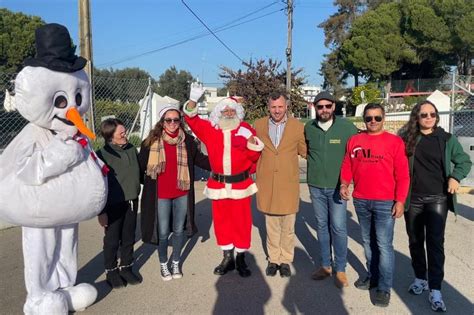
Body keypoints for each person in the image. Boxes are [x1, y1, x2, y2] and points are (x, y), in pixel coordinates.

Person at [183, 83, 264, 278]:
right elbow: (192, 120)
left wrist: (252, 144)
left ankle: (241, 258)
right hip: (219, 185)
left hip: (241, 185)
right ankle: (227, 257)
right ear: (218, 113)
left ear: (238, 112)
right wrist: (193, 99)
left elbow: (255, 158)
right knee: (222, 222)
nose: (228, 112)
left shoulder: (245, 130)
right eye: (225, 110)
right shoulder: (211, 130)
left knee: (242, 223)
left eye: (232, 109)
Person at [398, 100, 472, 312]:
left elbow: (464, 161)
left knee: (435, 243)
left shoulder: (447, 139)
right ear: (417, 118)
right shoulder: (408, 140)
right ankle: (420, 277)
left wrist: (456, 178)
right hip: (413, 199)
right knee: (414, 240)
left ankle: (436, 289)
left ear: (437, 116)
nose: (429, 117)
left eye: (432, 114)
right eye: (424, 115)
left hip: (437, 198)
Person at [340, 103, 410, 307]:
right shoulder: (355, 141)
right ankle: (373, 277)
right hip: (361, 199)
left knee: (384, 245)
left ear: (383, 118)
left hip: (385, 202)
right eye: (369, 118)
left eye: (377, 118)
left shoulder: (394, 142)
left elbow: (403, 175)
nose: (373, 122)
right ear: (364, 119)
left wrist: (400, 200)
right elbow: (348, 164)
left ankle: (384, 287)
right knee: (368, 243)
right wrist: (344, 183)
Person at [138, 103, 210, 281]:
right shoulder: (150, 143)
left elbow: (200, 160)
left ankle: (176, 261)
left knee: (179, 230)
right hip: (161, 195)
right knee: (162, 232)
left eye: (176, 120)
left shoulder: (188, 142)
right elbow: (140, 167)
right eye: (168, 120)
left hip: (181, 192)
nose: (172, 123)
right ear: (162, 122)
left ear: (180, 122)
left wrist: (223, 161)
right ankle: (163, 263)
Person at [305, 91, 358, 287]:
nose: (324, 110)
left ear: (334, 107)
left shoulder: (347, 127)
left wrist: (349, 180)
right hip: (316, 185)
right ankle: (326, 265)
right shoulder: (309, 127)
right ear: (314, 108)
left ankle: (341, 269)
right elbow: (305, 150)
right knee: (321, 226)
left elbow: (356, 153)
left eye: (328, 106)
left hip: (338, 187)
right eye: (320, 107)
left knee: (338, 227)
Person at [254, 91, 306, 278]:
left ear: (286, 107)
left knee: (288, 226)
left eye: (280, 107)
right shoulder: (259, 125)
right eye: (273, 107)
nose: (277, 110)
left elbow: (304, 151)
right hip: (268, 182)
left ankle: (285, 260)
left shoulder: (298, 127)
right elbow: (252, 150)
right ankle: (273, 259)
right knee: (271, 225)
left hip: (288, 183)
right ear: (269, 107)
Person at [96, 119, 142, 288]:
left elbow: (139, 172)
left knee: (129, 237)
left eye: (125, 131)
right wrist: (101, 212)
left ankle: (126, 268)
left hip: (131, 200)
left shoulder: (131, 149)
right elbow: (97, 185)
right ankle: (111, 270)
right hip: (112, 205)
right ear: (110, 137)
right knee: (112, 240)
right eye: (121, 133)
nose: (126, 135)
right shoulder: (101, 155)